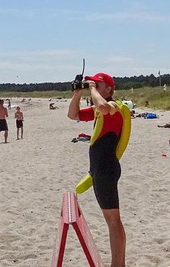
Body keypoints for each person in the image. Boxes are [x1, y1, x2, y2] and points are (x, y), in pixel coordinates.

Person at [68, 72, 127, 267]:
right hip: (99, 169)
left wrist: (91, 89)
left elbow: (103, 107)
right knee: (111, 219)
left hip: (106, 168)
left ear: (109, 89)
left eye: (98, 83)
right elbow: (73, 115)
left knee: (113, 220)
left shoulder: (114, 107)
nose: (93, 84)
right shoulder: (97, 109)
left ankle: (117, 265)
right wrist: (78, 92)